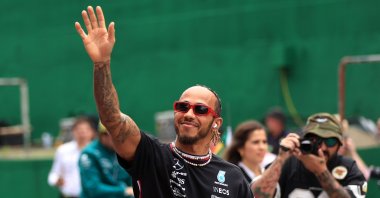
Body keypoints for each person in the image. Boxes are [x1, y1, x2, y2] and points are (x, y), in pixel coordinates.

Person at [74, 6, 253, 198]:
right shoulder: (151, 155)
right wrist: (102, 65)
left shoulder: (233, 178)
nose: (189, 114)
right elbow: (112, 119)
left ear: (216, 122)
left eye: (200, 109)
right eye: (183, 106)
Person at [252, 112, 367, 198]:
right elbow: (257, 195)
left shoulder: (348, 168)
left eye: (330, 141)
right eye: (315, 140)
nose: (323, 148)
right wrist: (281, 159)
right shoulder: (289, 163)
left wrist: (321, 171)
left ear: (339, 145)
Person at [78, 122, 134, 198]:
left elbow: (131, 182)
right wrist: (123, 191)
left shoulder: (123, 151)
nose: (119, 139)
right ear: (102, 135)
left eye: (121, 135)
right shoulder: (89, 154)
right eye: (115, 135)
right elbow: (93, 189)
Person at [48, 116, 96, 198]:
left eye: (86, 130)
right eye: (79, 130)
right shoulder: (63, 150)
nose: (82, 133)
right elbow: (54, 174)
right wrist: (56, 180)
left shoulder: (98, 151)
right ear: (73, 131)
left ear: (92, 132)